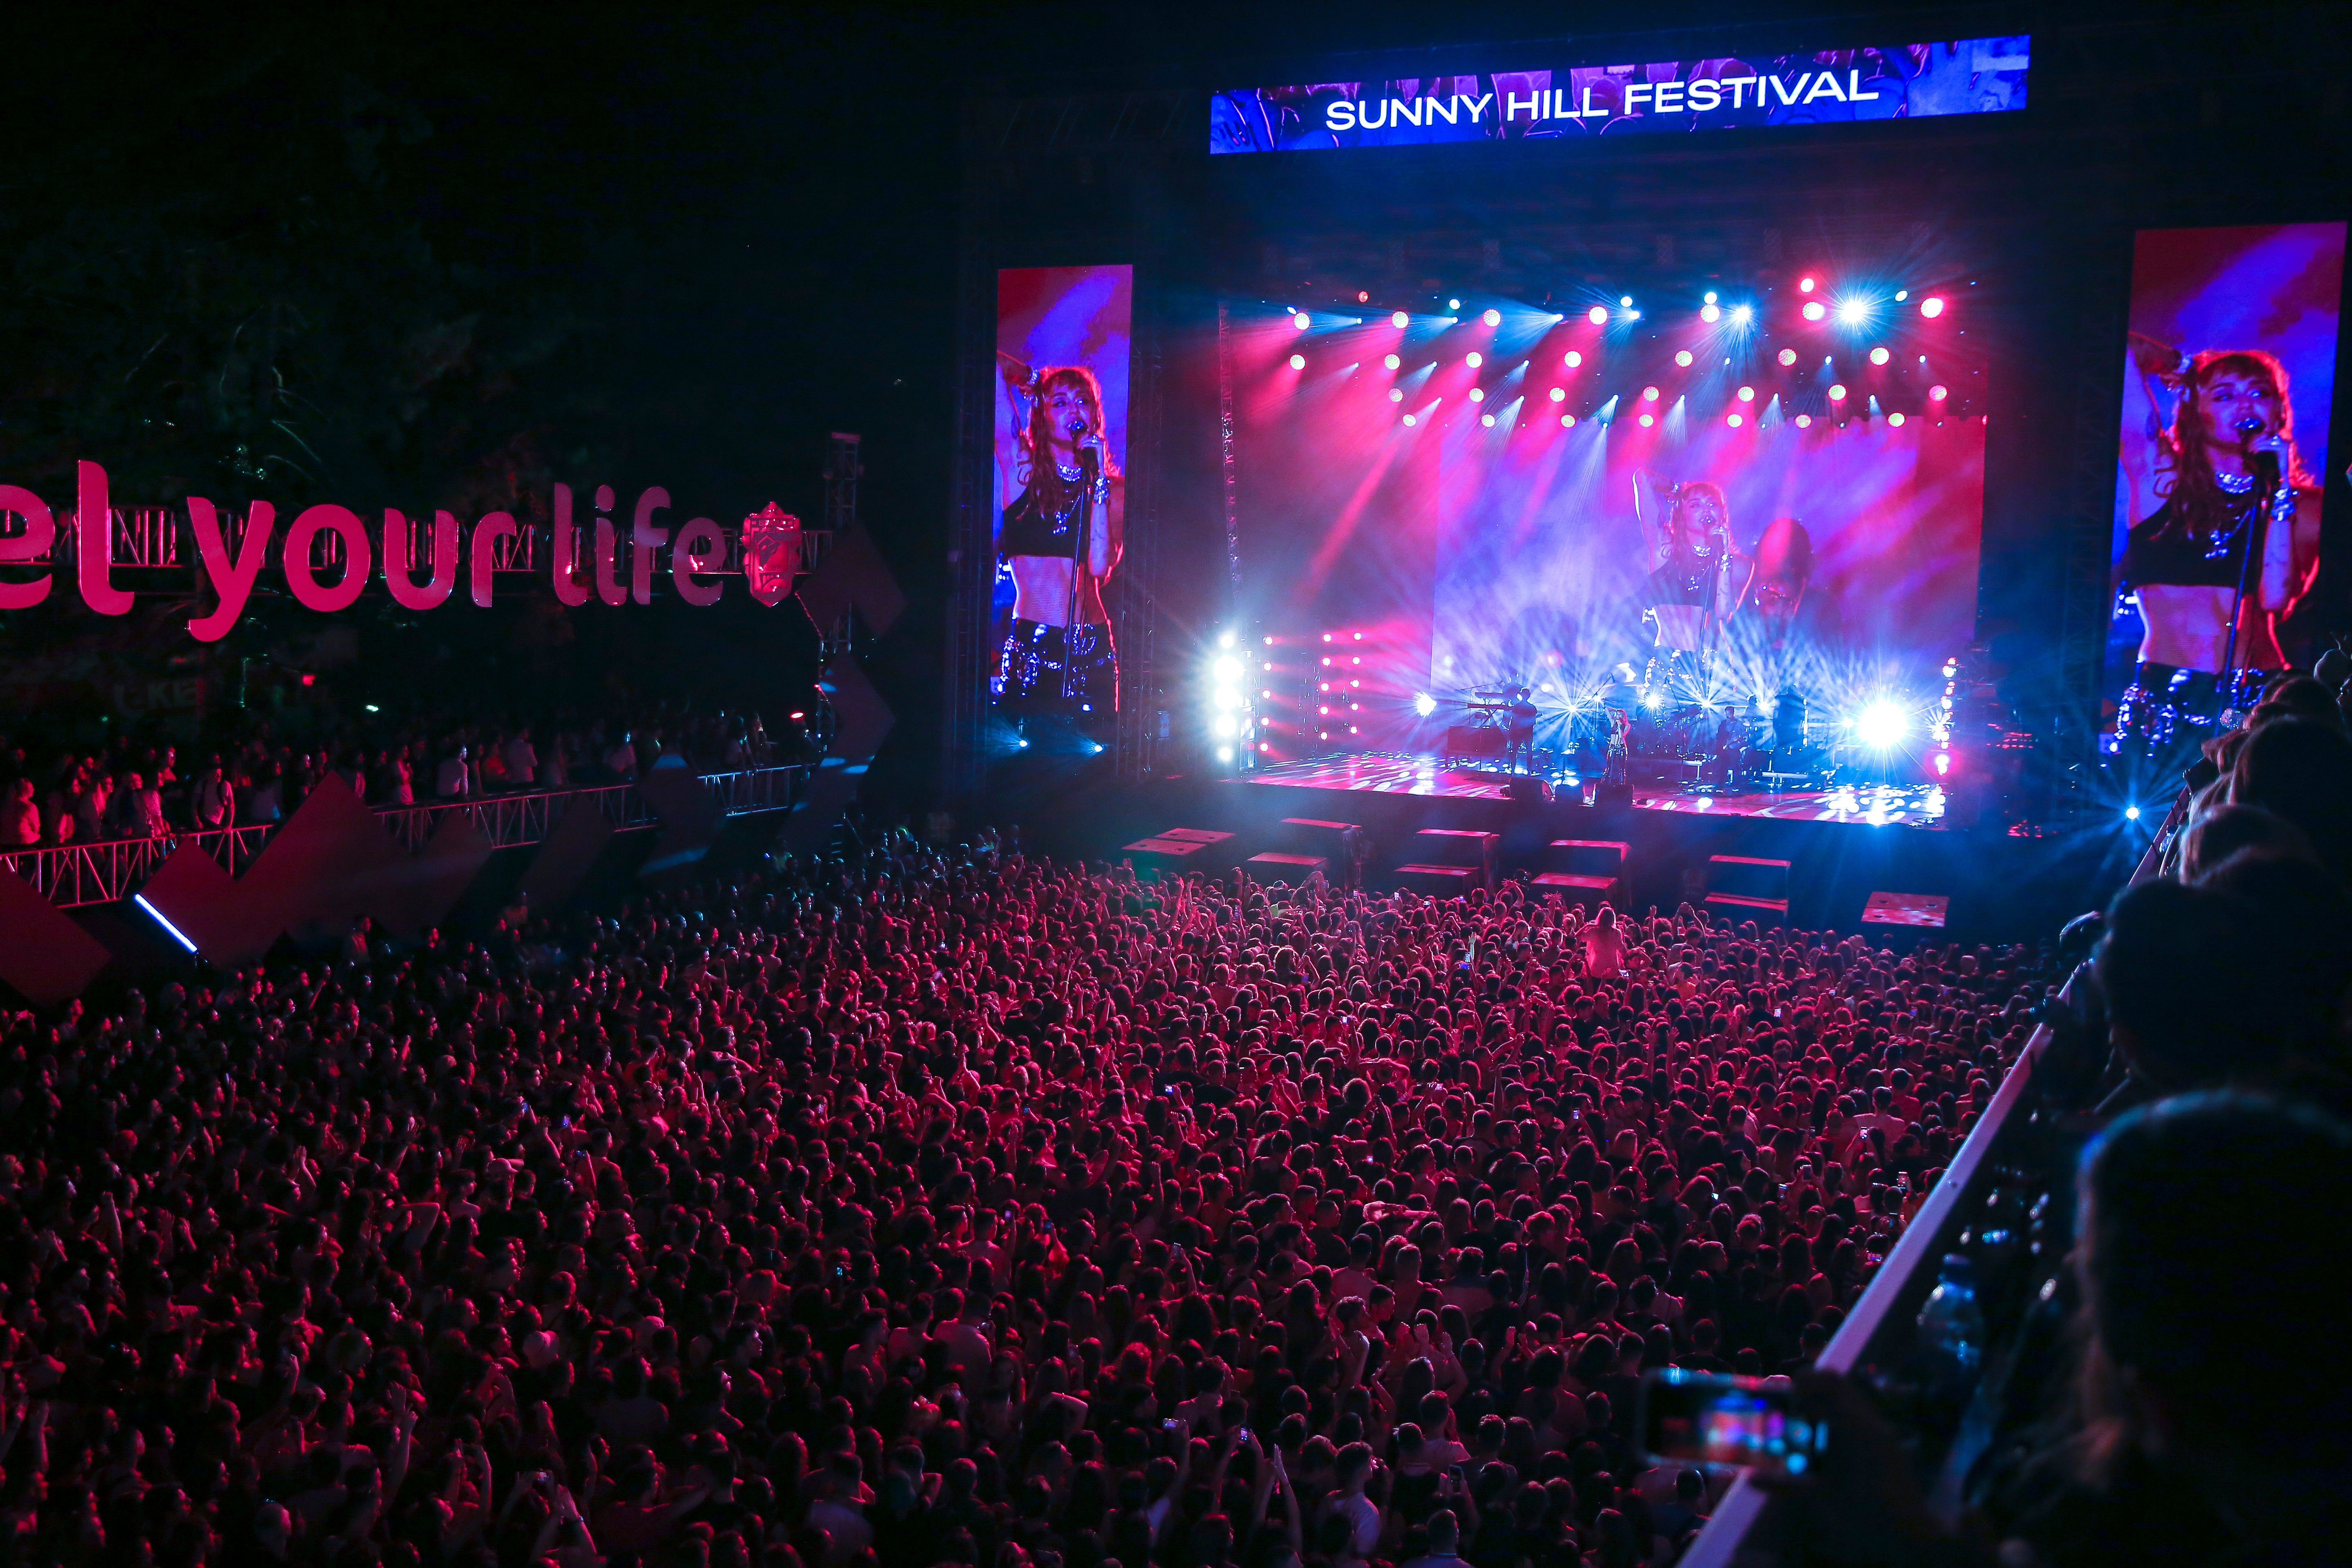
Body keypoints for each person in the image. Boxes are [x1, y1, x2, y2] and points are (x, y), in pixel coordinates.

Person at [2115, 347, 2322, 748]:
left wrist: (2279, 494)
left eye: (2260, 393)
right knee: (2163, 806)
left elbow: (2276, 597)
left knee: (2245, 803)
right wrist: (2181, 368)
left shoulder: (2304, 505)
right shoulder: (2159, 479)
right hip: (2168, 692)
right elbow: (2121, 351)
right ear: (2195, 412)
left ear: (2279, 411)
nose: (2245, 405)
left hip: (2255, 693)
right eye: (2225, 395)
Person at [993, 358, 1125, 720]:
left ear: (1096, 415)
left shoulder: (1114, 491)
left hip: (1091, 644)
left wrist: (1098, 481)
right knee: (1027, 765)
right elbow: (990, 364)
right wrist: (1037, 380)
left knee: (1095, 767)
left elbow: (1100, 566)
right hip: (1034, 645)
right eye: (1061, 403)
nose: (1073, 410)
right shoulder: (1022, 470)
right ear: (1043, 414)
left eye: (1082, 401)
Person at [1633, 475, 1752, 697]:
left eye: (1712, 504)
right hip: (1666, 665)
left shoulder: (1740, 564)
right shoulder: (1664, 551)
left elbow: (1724, 612)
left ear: (1722, 514)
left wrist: (1724, 558)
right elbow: (1643, 478)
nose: (1706, 511)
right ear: (1681, 514)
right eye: (1695, 505)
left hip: (1713, 667)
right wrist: (1678, 490)